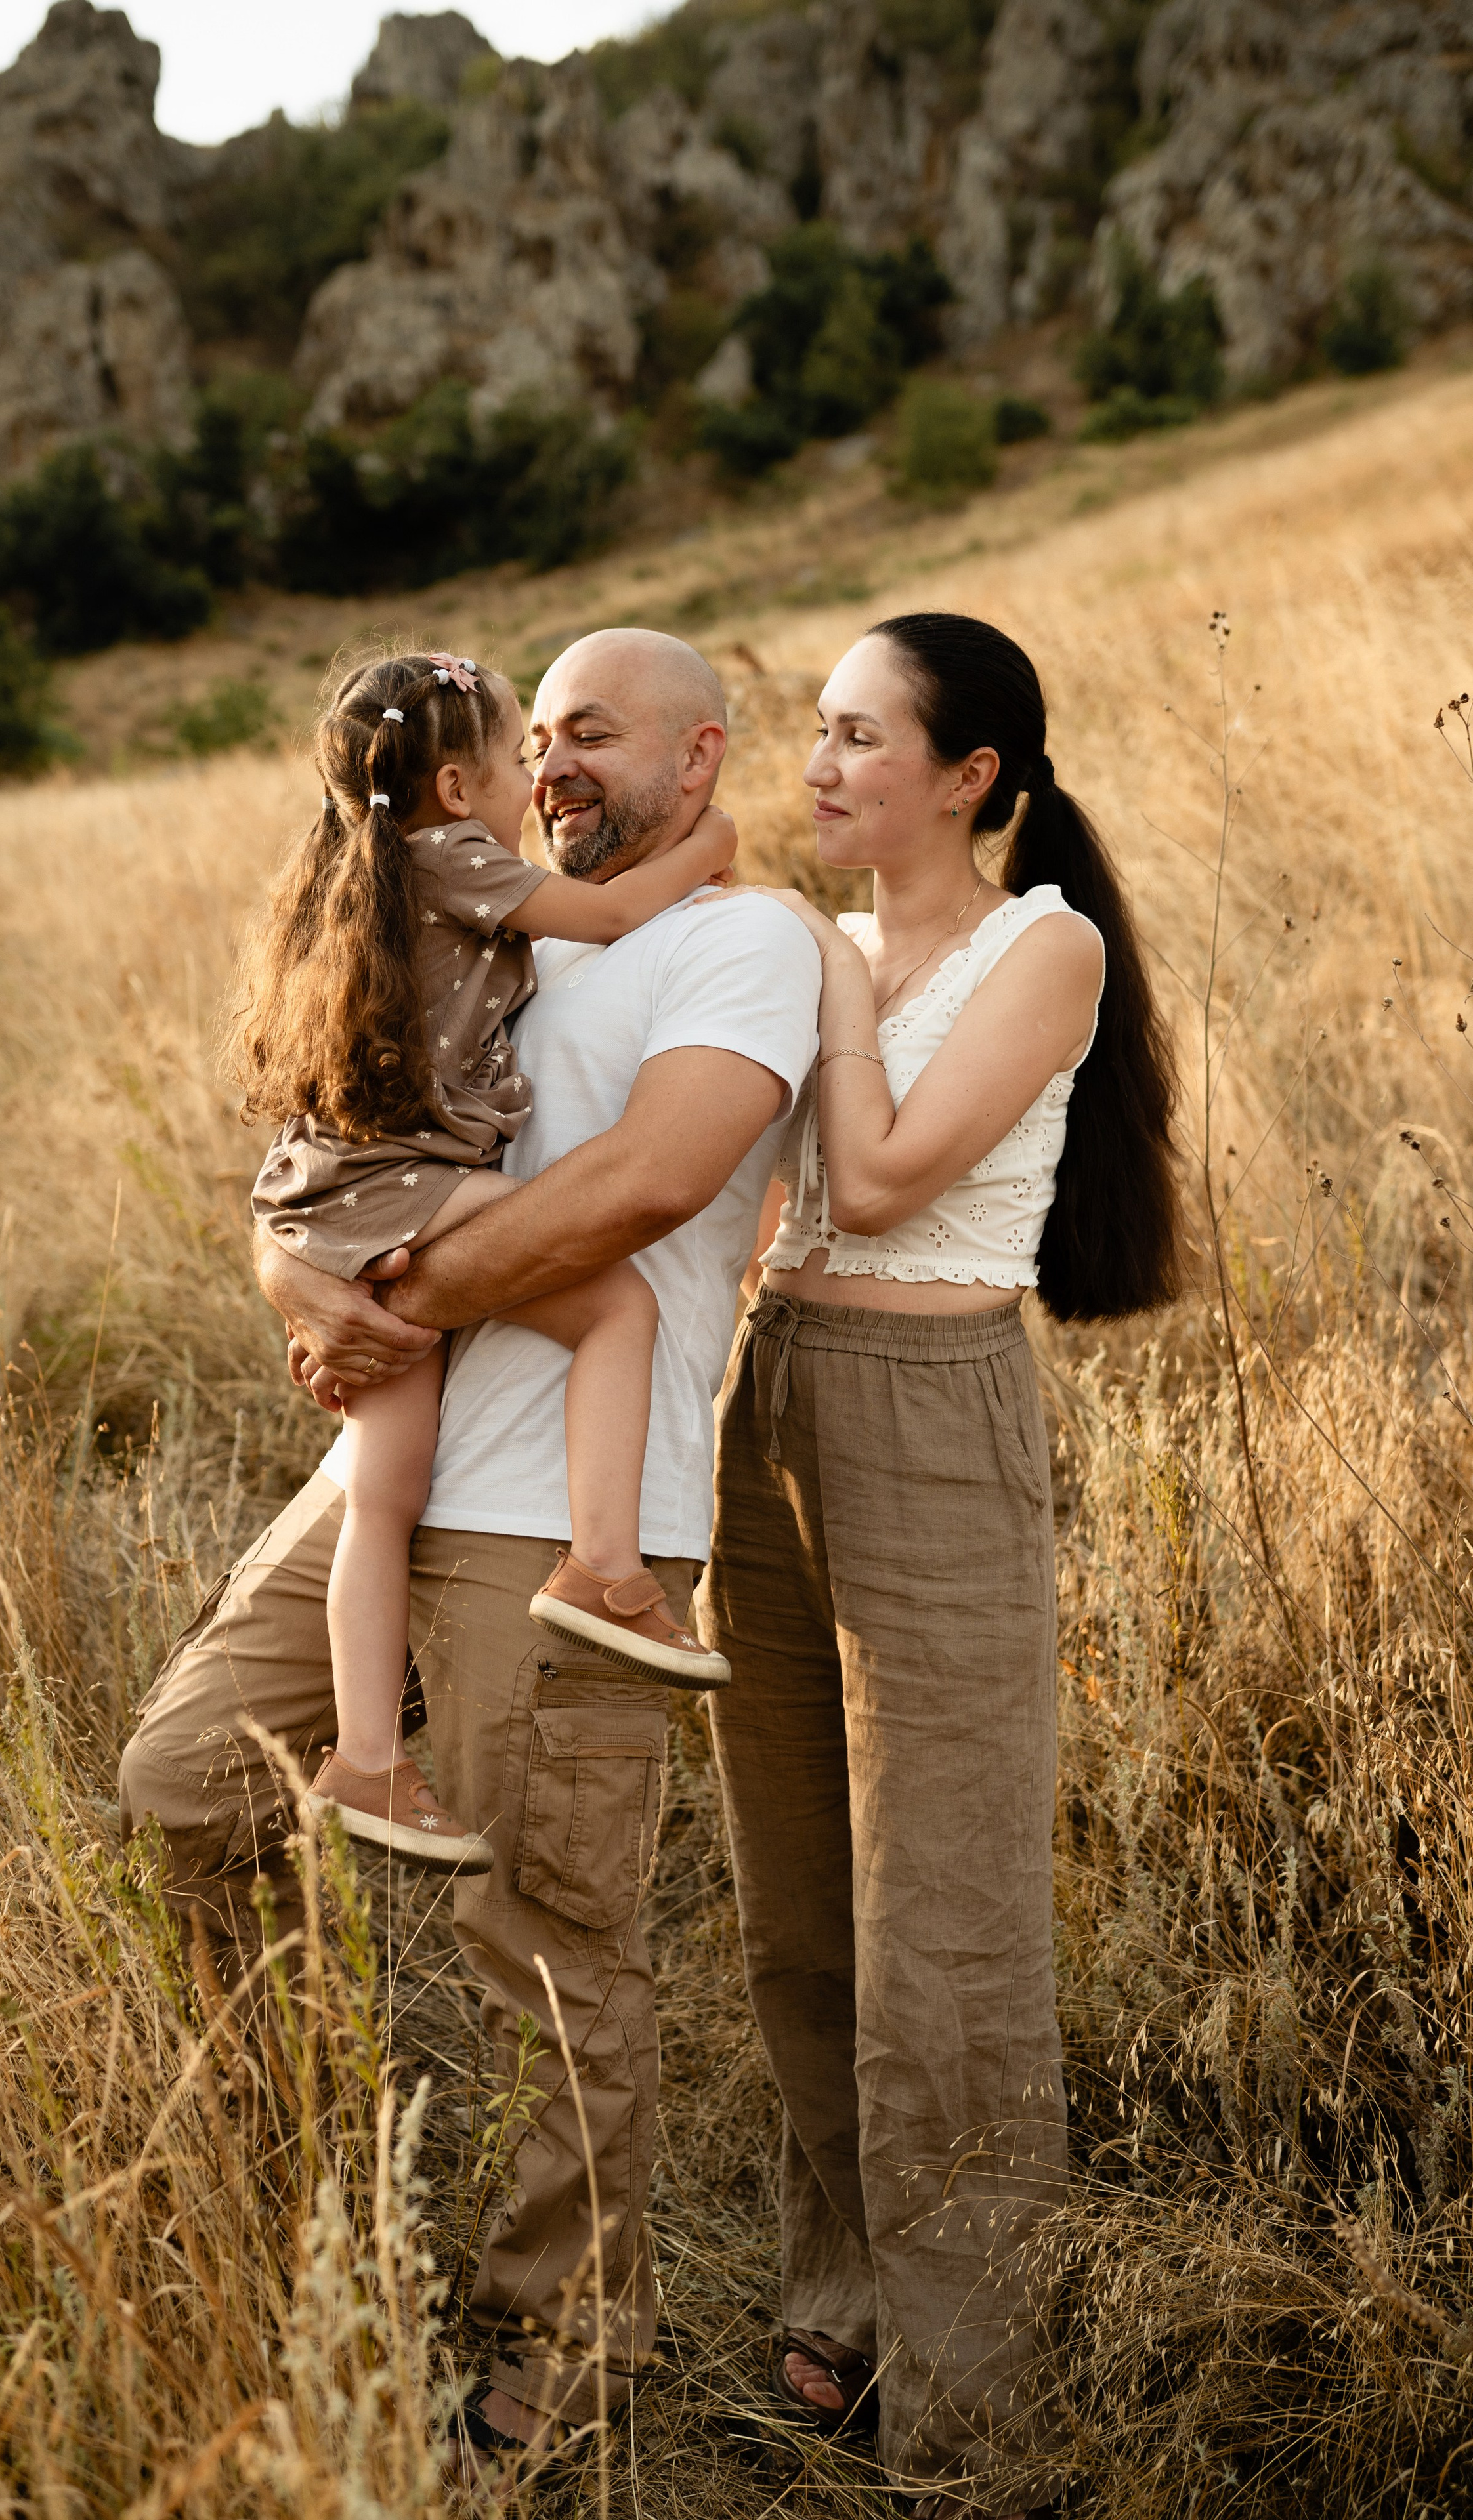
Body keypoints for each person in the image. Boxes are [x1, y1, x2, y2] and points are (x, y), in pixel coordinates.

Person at [117, 627, 821, 2475]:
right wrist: (303, 1279)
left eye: (594, 730)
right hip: (378, 1475)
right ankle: (305, 2215)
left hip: (562, 1519)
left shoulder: (735, 942)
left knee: (551, 1942)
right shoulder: (479, 924)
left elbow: (652, 1182)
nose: (560, 760)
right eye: (544, 734)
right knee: (185, 1790)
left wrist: (398, 1291)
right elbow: (313, 1139)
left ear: (703, 756)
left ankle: (566, 2352)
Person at [699, 612, 1180, 2517]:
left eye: (858, 737)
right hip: (774, 1398)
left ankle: (980, 2391)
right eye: (810, 733)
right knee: (793, 1892)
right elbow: (739, 1205)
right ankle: (845, 2290)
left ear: (970, 775)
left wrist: (807, 967)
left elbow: (884, 1179)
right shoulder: (814, 948)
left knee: (947, 1926)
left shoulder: (1032, 947)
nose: (816, 767)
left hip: (932, 1402)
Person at [232, 648, 732, 1876]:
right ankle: (606, 1566)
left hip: (341, 1193)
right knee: (617, 1307)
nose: (537, 780)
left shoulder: (358, 868)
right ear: (457, 786)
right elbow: (615, 913)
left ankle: (364, 1763)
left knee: (385, 1494)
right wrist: (714, 845)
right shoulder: (455, 861)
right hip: (404, 1184)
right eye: (521, 758)